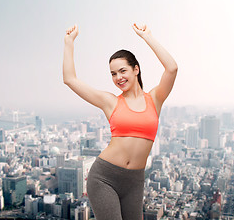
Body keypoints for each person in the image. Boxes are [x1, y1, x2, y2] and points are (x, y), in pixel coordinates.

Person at [63, 23, 178, 220]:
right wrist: (69, 42)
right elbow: (70, 79)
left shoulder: (155, 99)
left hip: (135, 181)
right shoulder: (111, 102)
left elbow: (172, 68)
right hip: (104, 178)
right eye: (113, 74)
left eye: (122, 71)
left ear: (136, 69)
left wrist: (148, 37)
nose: (118, 77)